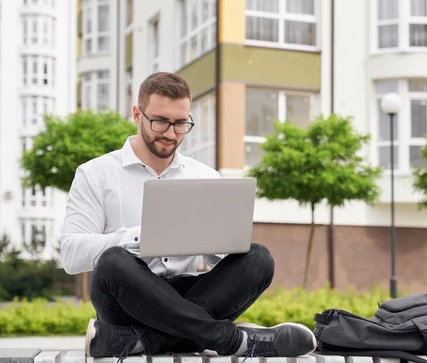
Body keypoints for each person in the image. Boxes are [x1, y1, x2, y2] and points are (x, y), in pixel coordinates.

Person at [60, 72, 316, 360]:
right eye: (160, 121)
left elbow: (216, 263)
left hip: (192, 297)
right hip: (127, 302)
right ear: (137, 114)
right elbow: (70, 255)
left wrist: (217, 243)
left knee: (258, 258)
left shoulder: (205, 176)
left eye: (181, 123)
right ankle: (231, 340)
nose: (170, 133)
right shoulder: (95, 174)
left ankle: (134, 342)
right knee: (112, 260)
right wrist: (141, 237)